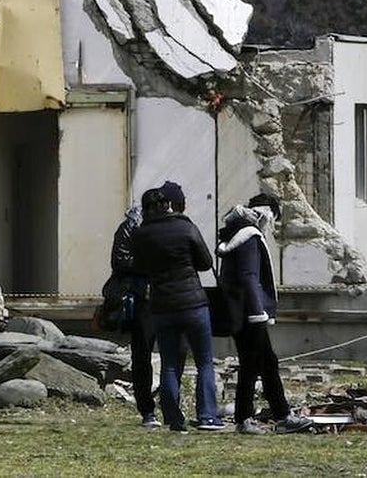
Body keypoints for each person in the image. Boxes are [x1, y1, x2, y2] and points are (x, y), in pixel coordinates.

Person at [216, 193, 314, 435]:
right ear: (267, 213)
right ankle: (262, 417)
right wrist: (258, 311)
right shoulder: (249, 236)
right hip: (251, 313)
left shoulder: (236, 234)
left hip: (241, 310)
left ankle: (267, 416)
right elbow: (249, 276)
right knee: (259, 364)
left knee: (260, 363)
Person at [131, 184, 224, 432]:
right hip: (193, 302)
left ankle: (173, 418)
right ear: (167, 205)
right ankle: (207, 416)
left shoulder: (141, 235)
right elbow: (205, 262)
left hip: (161, 305)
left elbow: (138, 267)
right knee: (204, 361)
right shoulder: (185, 226)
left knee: (169, 363)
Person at [109, 202, 157, 427]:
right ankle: (147, 409)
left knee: (169, 353)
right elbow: (120, 261)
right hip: (140, 297)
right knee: (142, 355)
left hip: (160, 295)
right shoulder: (130, 228)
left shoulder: (159, 228)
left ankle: (162, 407)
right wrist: (149, 265)